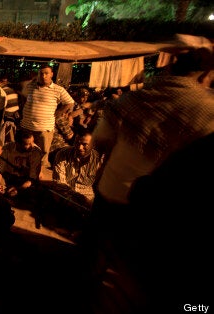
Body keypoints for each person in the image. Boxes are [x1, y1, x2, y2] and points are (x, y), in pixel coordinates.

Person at [86, 47, 214, 313]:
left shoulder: (135, 99)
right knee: (135, 273)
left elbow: (100, 140)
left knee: (94, 255)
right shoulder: (207, 112)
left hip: (111, 187)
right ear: (205, 75)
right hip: (155, 206)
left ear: (169, 68)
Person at [19, 64, 75, 168]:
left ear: (51, 75)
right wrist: (24, 110)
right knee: (25, 151)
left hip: (44, 128)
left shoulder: (58, 89)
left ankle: (39, 176)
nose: (43, 76)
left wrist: (58, 112)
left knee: (42, 154)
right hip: (26, 126)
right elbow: (23, 96)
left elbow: (70, 102)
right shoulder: (31, 86)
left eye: (46, 73)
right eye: (41, 73)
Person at [52, 130, 102, 205]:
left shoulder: (99, 161)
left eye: (85, 144)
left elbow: (100, 188)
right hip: (65, 194)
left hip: (88, 198)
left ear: (93, 145)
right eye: (77, 143)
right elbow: (59, 183)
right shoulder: (62, 154)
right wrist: (77, 196)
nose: (80, 147)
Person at [0, 129, 43, 200]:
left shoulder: (36, 152)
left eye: (32, 142)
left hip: (25, 181)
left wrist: (18, 189)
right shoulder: (7, 149)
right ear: (17, 143)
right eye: (27, 144)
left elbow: (32, 179)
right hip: (8, 178)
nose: (32, 146)